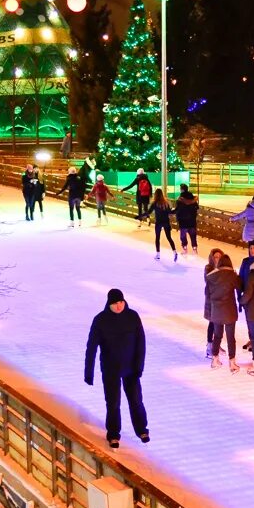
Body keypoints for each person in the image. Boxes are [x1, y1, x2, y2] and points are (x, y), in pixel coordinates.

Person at [84, 288, 149, 449]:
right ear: (109, 304)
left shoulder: (133, 317)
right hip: (110, 369)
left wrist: (139, 366)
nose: (119, 306)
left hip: (131, 368)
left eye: (120, 302)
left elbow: (141, 344)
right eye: (115, 303)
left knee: (136, 401)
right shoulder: (100, 320)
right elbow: (91, 347)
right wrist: (88, 372)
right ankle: (113, 434)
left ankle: (142, 429)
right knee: (113, 403)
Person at [205, 253, 240, 373]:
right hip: (229, 310)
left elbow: (207, 293)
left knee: (217, 335)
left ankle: (215, 359)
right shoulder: (232, 275)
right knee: (231, 337)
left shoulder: (211, 276)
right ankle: (232, 362)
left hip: (216, 310)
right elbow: (240, 287)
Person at [141, 188, 177, 260]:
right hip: (166, 222)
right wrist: (177, 210)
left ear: (155, 195)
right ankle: (175, 252)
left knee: (157, 238)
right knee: (169, 238)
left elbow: (149, 212)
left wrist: (140, 216)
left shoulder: (154, 203)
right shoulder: (166, 203)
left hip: (159, 222)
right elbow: (170, 212)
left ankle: (158, 254)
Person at [203, 247, 225, 357]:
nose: (217, 259)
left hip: (221, 300)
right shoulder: (208, 268)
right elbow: (210, 281)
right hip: (211, 300)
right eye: (215, 257)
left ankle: (217, 344)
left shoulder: (224, 268)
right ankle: (209, 345)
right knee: (212, 322)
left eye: (219, 257)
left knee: (220, 323)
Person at [175, 183, 199, 254]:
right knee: (193, 235)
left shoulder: (179, 200)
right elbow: (197, 207)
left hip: (183, 221)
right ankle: (194, 249)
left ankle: (185, 248)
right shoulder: (193, 199)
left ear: (182, 190)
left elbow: (177, 210)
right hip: (192, 221)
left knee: (183, 236)